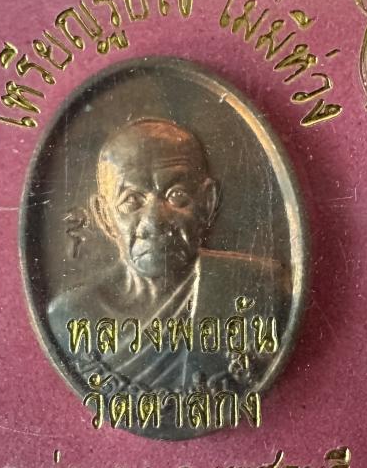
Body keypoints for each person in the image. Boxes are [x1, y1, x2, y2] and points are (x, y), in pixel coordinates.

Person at [48, 118, 290, 393]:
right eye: (132, 200)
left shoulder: (260, 287)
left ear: (207, 203)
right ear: (104, 216)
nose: (154, 221)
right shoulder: (71, 314)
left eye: (176, 195)